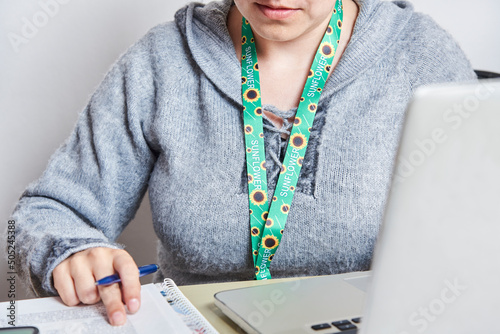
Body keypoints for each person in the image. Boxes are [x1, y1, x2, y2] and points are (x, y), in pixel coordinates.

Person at [12, 0, 476, 327]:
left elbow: (477, 235)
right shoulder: (161, 61)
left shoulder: (421, 58)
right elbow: (47, 211)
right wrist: (67, 251)